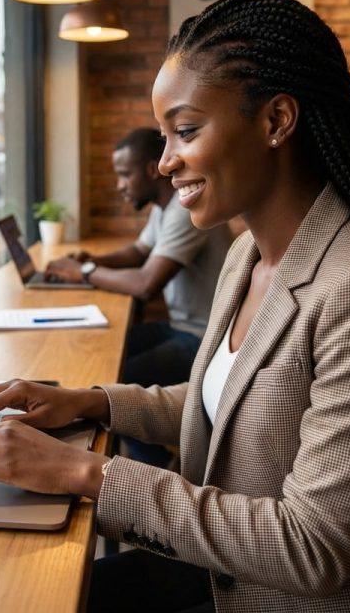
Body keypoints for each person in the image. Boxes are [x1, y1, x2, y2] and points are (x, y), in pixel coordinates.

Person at [0, 0, 350, 612]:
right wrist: (86, 403)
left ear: (277, 121)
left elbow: (316, 548)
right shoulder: (246, 255)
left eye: (185, 130)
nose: (165, 161)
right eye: (163, 136)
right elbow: (221, 403)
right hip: (234, 573)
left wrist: (84, 472)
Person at [46, 127, 232, 466]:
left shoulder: (183, 208)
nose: (119, 185)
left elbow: (146, 283)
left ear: (149, 170)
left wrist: (85, 275)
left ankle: (159, 465)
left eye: (123, 174)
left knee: (116, 382)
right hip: (179, 326)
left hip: (203, 338)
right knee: (102, 349)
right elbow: (138, 251)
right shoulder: (163, 208)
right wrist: (92, 260)